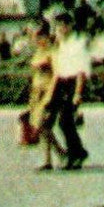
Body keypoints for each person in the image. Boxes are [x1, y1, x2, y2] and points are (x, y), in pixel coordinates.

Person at [47, 14, 92, 170]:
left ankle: (77, 153)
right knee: (63, 121)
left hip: (74, 83)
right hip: (62, 83)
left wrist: (78, 93)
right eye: (58, 26)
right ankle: (77, 152)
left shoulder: (77, 44)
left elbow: (81, 71)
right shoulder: (61, 45)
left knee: (65, 121)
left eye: (64, 25)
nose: (61, 29)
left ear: (71, 26)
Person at [21, 23, 68, 171]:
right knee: (41, 127)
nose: (35, 39)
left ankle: (61, 152)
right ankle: (47, 160)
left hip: (48, 92)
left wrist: (49, 95)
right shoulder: (38, 51)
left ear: (45, 36)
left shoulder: (52, 51)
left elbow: (57, 74)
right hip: (37, 92)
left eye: (38, 36)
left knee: (43, 125)